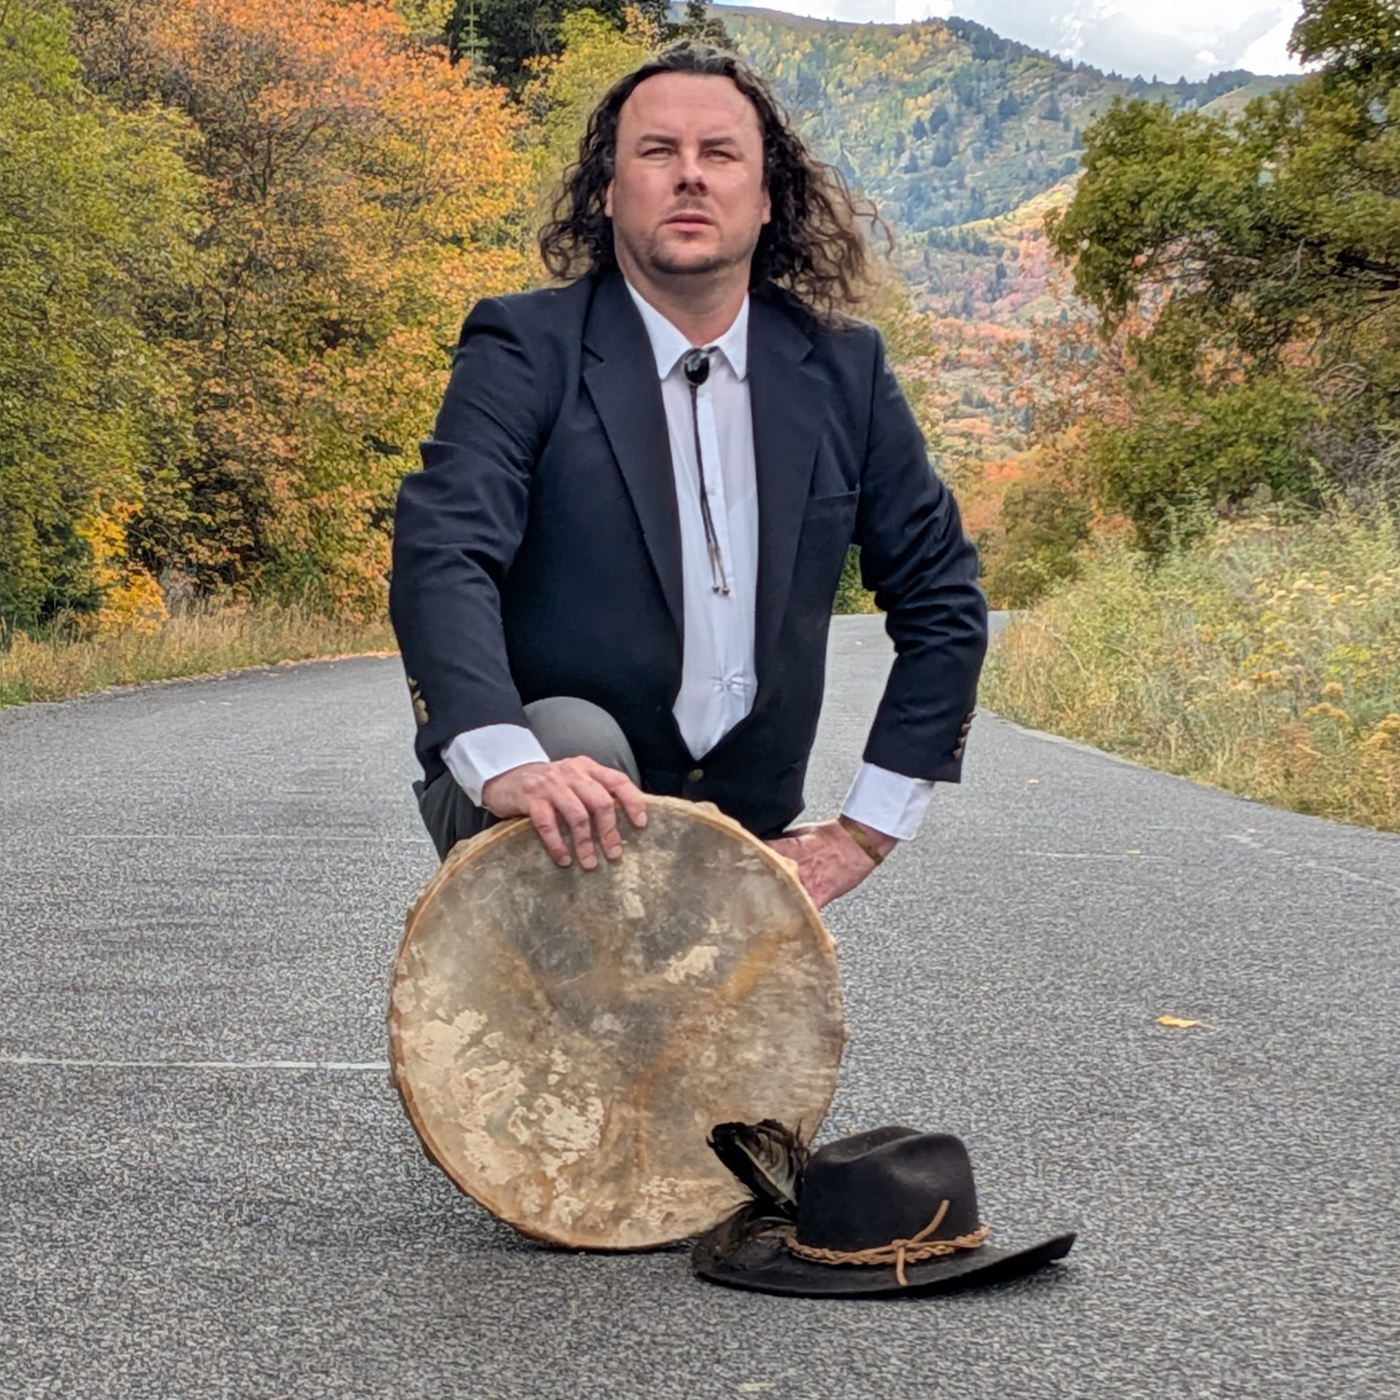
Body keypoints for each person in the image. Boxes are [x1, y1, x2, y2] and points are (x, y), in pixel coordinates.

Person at [389, 41, 987, 909]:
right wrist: (504, 760)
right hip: (534, 806)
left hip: (740, 841)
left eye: (720, 154)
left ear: (767, 196)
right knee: (575, 739)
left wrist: (866, 831)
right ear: (609, 188)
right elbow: (444, 554)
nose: (690, 176)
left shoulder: (842, 370)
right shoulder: (523, 349)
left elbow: (943, 599)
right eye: (658, 151)